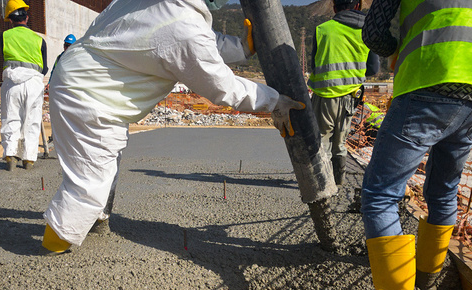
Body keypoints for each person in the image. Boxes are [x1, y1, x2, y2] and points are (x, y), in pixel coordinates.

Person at [40, 0, 301, 255]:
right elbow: (221, 84)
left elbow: (194, 42)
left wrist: (241, 48)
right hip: (90, 95)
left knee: (106, 161)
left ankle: (97, 222)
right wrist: (274, 101)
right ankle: (53, 246)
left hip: (89, 85)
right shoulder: (183, 26)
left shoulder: (159, 7)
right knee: (90, 182)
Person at [340, 0, 472, 290]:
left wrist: (395, 50)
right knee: (444, 189)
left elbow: (373, 32)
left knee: (379, 195)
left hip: (429, 80)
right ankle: (428, 278)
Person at [308, 0, 379, 187]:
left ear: (334, 7)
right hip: (351, 97)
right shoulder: (367, 31)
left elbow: (314, 65)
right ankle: (338, 182)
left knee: (321, 143)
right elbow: (373, 68)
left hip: (325, 96)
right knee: (340, 144)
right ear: (358, 6)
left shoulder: (323, 29)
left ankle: (322, 184)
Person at [0, 0, 48, 171]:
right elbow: (45, 67)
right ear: (27, 17)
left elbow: (3, 59)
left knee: (10, 118)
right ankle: (28, 160)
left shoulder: (5, 37)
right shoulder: (39, 39)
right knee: (32, 121)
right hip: (34, 82)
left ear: (10, 20)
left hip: (11, 81)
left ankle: (10, 156)